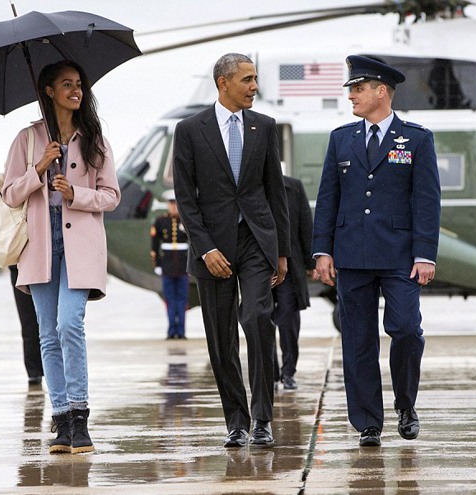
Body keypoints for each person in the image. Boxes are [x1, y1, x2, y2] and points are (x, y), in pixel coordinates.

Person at [312, 55, 441, 447]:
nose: (351, 95)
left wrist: (425, 255)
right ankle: (368, 422)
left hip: (400, 255)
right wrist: (322, 251)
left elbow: (426, 200)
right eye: (351, 88)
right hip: (351, 254)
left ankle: (406, 404)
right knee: (358, 339)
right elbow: (327, 198)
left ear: (381, 91)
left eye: (358, 88)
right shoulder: (341, 138)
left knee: (405, 329)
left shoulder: (416, 138)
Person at [2, 60, 120, 455]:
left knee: (70, 324)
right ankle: (62, 420)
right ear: (48, 91)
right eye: (66, 84)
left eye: (79, 84)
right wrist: (37, 169)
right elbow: (8, 195)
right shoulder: (27, 138)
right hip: (39, 244)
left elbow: (111, 196)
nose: (76, 90)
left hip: (80, 245)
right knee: (47, 334)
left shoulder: (95, 138)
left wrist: (75, 195)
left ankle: (81, 416)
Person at [173, 53, 290, 448]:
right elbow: (185, 198)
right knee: (221, 338)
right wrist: (205, 249)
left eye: (255, 79)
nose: (254, 86)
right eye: (247, 79)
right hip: (213, 246)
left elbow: (276, 192)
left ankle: (261, 418)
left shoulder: (265, 126)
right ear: (223, 83)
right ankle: (236, 421)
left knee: (257, 317)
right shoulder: (189, 130)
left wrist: (283, 252)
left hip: (257, 240)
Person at [272, 175, 315, 391]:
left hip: (289, 265)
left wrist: (311, 262)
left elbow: (305, 225)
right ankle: (270, 371)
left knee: (288, 320)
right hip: (259, 265)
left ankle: (288, 371)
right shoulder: (251, 184)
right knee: (262, 319)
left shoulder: (293, 186)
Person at [150, 190, 189, 340]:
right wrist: (157, 265)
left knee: (182, 300)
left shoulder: (185, 221)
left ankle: (182, 331)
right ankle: (171, 330)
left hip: (182, 266)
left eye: (175, 204)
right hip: (167, 266)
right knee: (169, 300)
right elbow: (154, 246)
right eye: (171, 204)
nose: (173, 207)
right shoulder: (160, 221)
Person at [8, 265, 44, 386]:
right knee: (29, 323)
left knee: (51, 322)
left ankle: (38, 372)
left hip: (45, 263)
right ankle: (34, 373)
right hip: (19, 266)